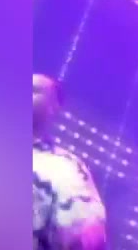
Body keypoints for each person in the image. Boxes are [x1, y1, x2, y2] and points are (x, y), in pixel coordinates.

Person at [33, 74, 108, 250]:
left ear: (53, 107)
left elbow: (86, 234)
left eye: (33, 90)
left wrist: (88, 234)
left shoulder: (64, 167)